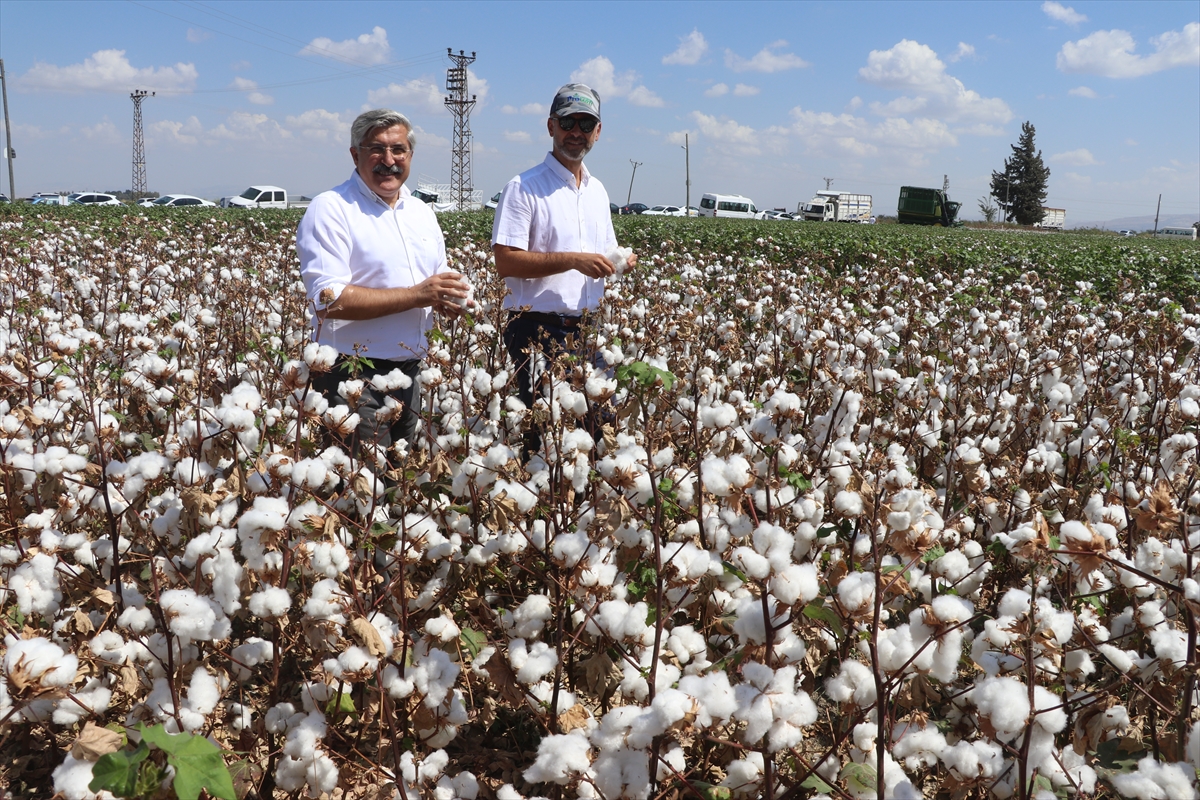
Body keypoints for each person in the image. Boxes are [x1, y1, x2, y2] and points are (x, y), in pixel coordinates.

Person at [297, 108, 470, 455]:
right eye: (376, 149)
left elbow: (437, 282)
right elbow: (331, 301)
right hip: (353, 378)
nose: (388, 160)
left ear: (410, 155)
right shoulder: (331, 209)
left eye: (398, 150)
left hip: (410, 374)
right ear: (355, 154)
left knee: (398, 483)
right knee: (364, 488)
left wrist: (448, 299)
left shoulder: (421, 212)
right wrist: (418, 295)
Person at [491, 83, 635, 459]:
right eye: (568, 122)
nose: (576, 132)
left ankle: (581, 512)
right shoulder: (523, 188)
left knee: (601, 434)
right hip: (537, 329)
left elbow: (602, 255)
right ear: (551, 126)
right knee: (547, 443)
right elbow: (505, 260)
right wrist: (571, 260)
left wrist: (618, 262)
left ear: (597, 132)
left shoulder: (597, 191)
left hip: (588, 330)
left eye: (585, 124)